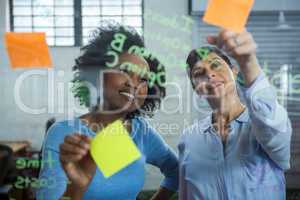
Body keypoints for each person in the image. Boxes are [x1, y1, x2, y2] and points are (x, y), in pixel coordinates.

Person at [36, 24, 178, 200]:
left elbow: (177, 171)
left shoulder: (141, 132)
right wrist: (77, 188)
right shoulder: (65, 133)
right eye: (124, 71)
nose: (133, 83)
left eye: (143, 79)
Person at [178, 29, 292, 200]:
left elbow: (275, 135)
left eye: (216, 65)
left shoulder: (262, 125)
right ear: (197, 89)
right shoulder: (188, 139)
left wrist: (248, 63)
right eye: (199, 74)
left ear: (234, 71)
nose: (209, 74)